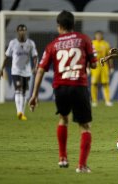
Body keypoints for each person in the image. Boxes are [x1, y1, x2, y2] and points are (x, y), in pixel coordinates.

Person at [28, 10, 97, 173]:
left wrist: (34, 94)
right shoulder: (84, 39)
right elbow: (93, 65)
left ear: (59, 26)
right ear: (73, 24)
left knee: (63, 119)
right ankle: (81, 165)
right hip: (79, 86)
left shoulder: (52, 44)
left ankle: (62, 158)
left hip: (60, 87)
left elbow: (41, 70)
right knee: (85, 126)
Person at [0, 24, 38, 120]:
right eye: (20, 30)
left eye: (24, 30)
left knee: (24, 92)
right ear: (17, 31)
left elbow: (35, 57)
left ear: (26, 31)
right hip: (16, 71)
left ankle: (22, 113)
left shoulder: (30, 43)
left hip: (27, 72)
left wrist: (35, 67)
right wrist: (1, 69)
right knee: (18, 89)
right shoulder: (13, 43)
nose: (22, 32)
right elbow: (6, 57)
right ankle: (19, 111)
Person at [90, 30, 114, 107]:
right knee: (94, 83)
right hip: (95, 65)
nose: (99, 36)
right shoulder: (92, 43)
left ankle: (107, 101)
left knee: (105, 83)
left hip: (104, 65)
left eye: (100, 35)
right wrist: (87, 66)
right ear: (95, 36)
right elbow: (88, 55)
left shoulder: (106, 44)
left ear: (102, 36)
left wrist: (111, 67)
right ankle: (94, 101)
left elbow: (109, 56)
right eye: (97, 35)